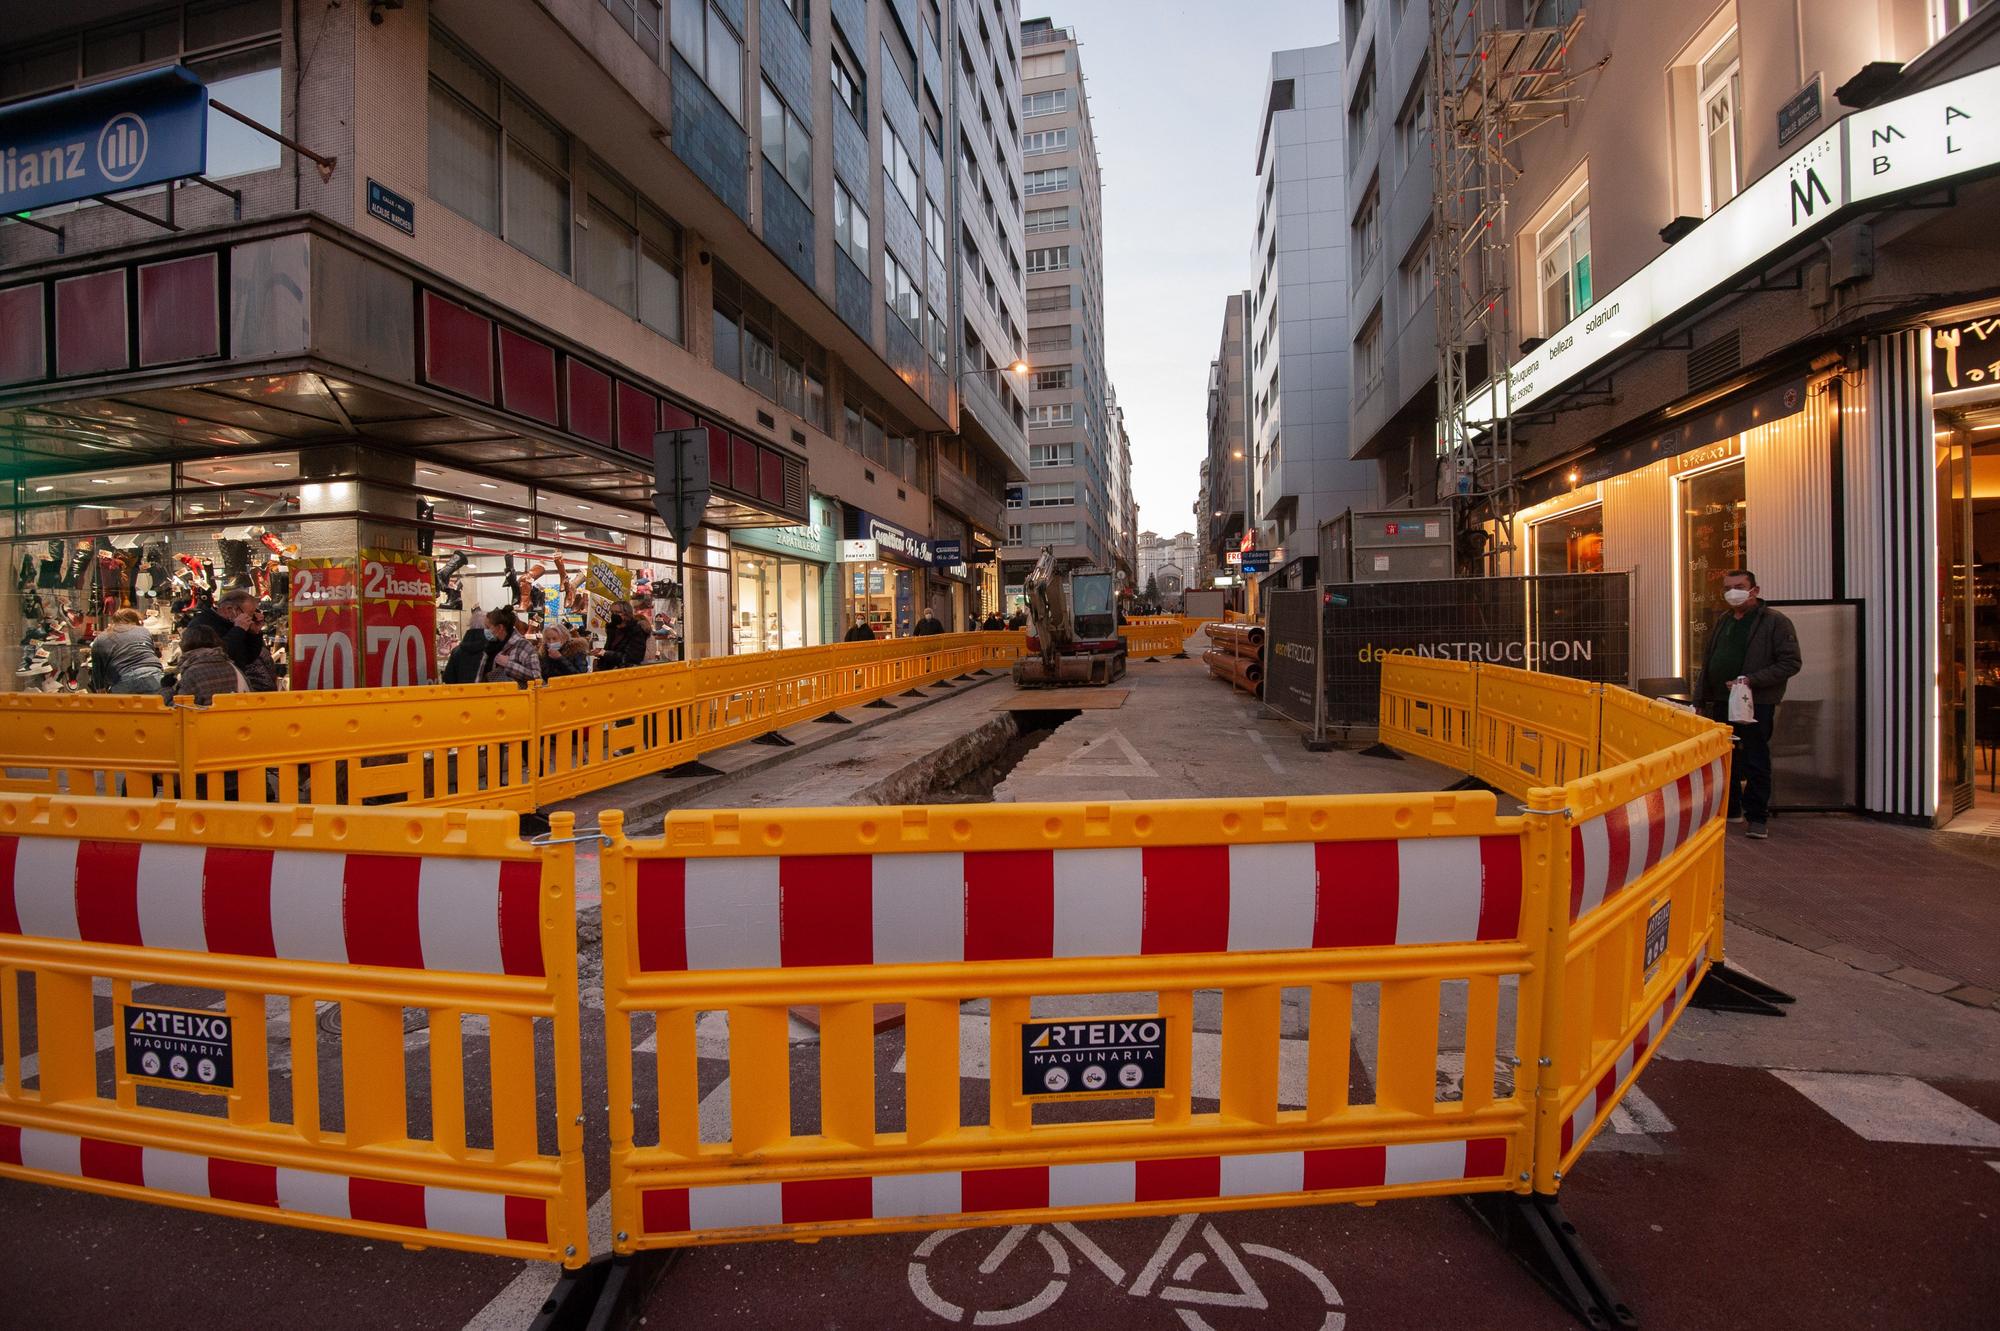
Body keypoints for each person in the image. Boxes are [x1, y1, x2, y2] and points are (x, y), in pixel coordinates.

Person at [1693, 569, 1801, 841]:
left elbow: (1790, 662)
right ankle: (1731, 808)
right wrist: (1700, 698)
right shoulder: (1724, 621)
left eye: (1739, 586)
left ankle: (1757, 817)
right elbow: (1710, 661)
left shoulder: (1775, 622)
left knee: (1755, 757)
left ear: (1755, 589)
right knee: (1726, 757)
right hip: (1719, 700)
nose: (1733, 592)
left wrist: (1751, 680)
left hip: (1754, 703)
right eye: (1728, 587)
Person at [164, 623, 245, 706]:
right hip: (237, 717)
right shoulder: (233, 667)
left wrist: (166, 689)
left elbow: (178, 709)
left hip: (206, 718)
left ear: (185, 645)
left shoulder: (192, 674)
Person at [91, 608, 164, 695]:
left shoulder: (100, 638)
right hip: (153, 675)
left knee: (124, 708)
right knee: (156, 707)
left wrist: (101, 690)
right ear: (135, 620)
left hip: (123, 679)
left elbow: (97, 670)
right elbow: (153, 654)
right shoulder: (143, 631)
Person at [192, 586, 259, 668]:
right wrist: (238, 630)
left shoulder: (234, 625)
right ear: (229, 609)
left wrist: (254, 634)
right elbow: (216, 657)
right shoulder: (202, 625)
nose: (251, 618)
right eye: (249, 614)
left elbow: (247, 658)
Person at [477, 606, 540, 686]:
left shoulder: (524, 646)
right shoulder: (489, 647)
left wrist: (509, 664)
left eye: (488, 627)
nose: (485, 631)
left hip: (516, 697)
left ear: (500, 627)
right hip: (490, 696)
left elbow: (537, 677)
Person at [595, 601, 652, 670]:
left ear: (627, 614)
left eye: (617, 612)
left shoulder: (636, 630)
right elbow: (610, 650)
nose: (614, 615)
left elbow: (632, 658)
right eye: (612, 612)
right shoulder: (612, 629)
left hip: (627, 673)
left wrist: (606, 654)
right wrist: (601, 654)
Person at [442, 609, 489, 684]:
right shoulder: (492, 649)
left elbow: (448, 678)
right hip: (488, 693)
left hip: (461, 693)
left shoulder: (456, 651)